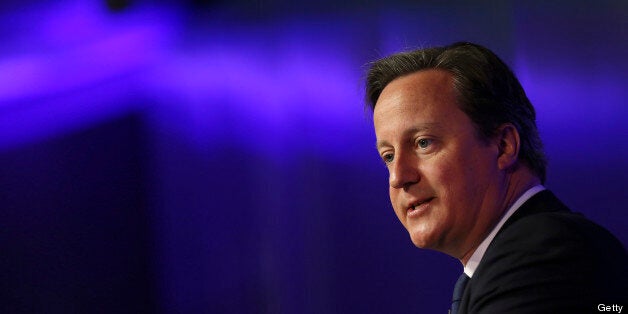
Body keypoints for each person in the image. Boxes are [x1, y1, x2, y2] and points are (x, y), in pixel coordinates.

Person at [364, 42, 627, 313]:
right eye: (389, 156)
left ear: (503, 145)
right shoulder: (495, 269)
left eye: (423, 143)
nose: (398, 177)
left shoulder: (544, 254)